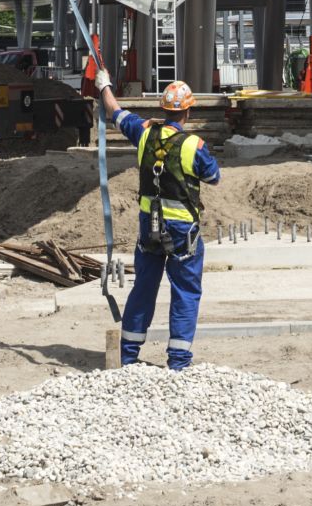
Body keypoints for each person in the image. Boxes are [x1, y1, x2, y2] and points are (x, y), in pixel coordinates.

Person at [94, 73, 220, 370]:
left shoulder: (144, 132)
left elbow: (116, 112)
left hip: (148, 226)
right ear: (187, 112)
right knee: (186, 292)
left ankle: (128, 357)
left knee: (144, 287)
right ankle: (178, 362)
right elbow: (214, 177)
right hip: (182, 232)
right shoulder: (194, 145)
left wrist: (104, 86)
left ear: (163, 109)